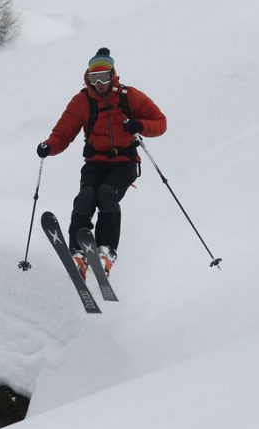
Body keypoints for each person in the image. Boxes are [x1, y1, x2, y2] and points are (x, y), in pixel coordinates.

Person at [36, 47, 166, 278]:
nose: (99, 83)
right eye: (94, 78)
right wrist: (50, 146)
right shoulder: (82, 101)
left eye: (104, 77)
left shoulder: (129, 96)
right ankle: (78, 250)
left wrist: (139, 125)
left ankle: (106, 249)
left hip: (124, 161)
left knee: (106, 194)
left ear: (113, 75)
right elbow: (64, 133)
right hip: (95, 161)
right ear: (88, 78)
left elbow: (160, 122)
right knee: (86, 197)